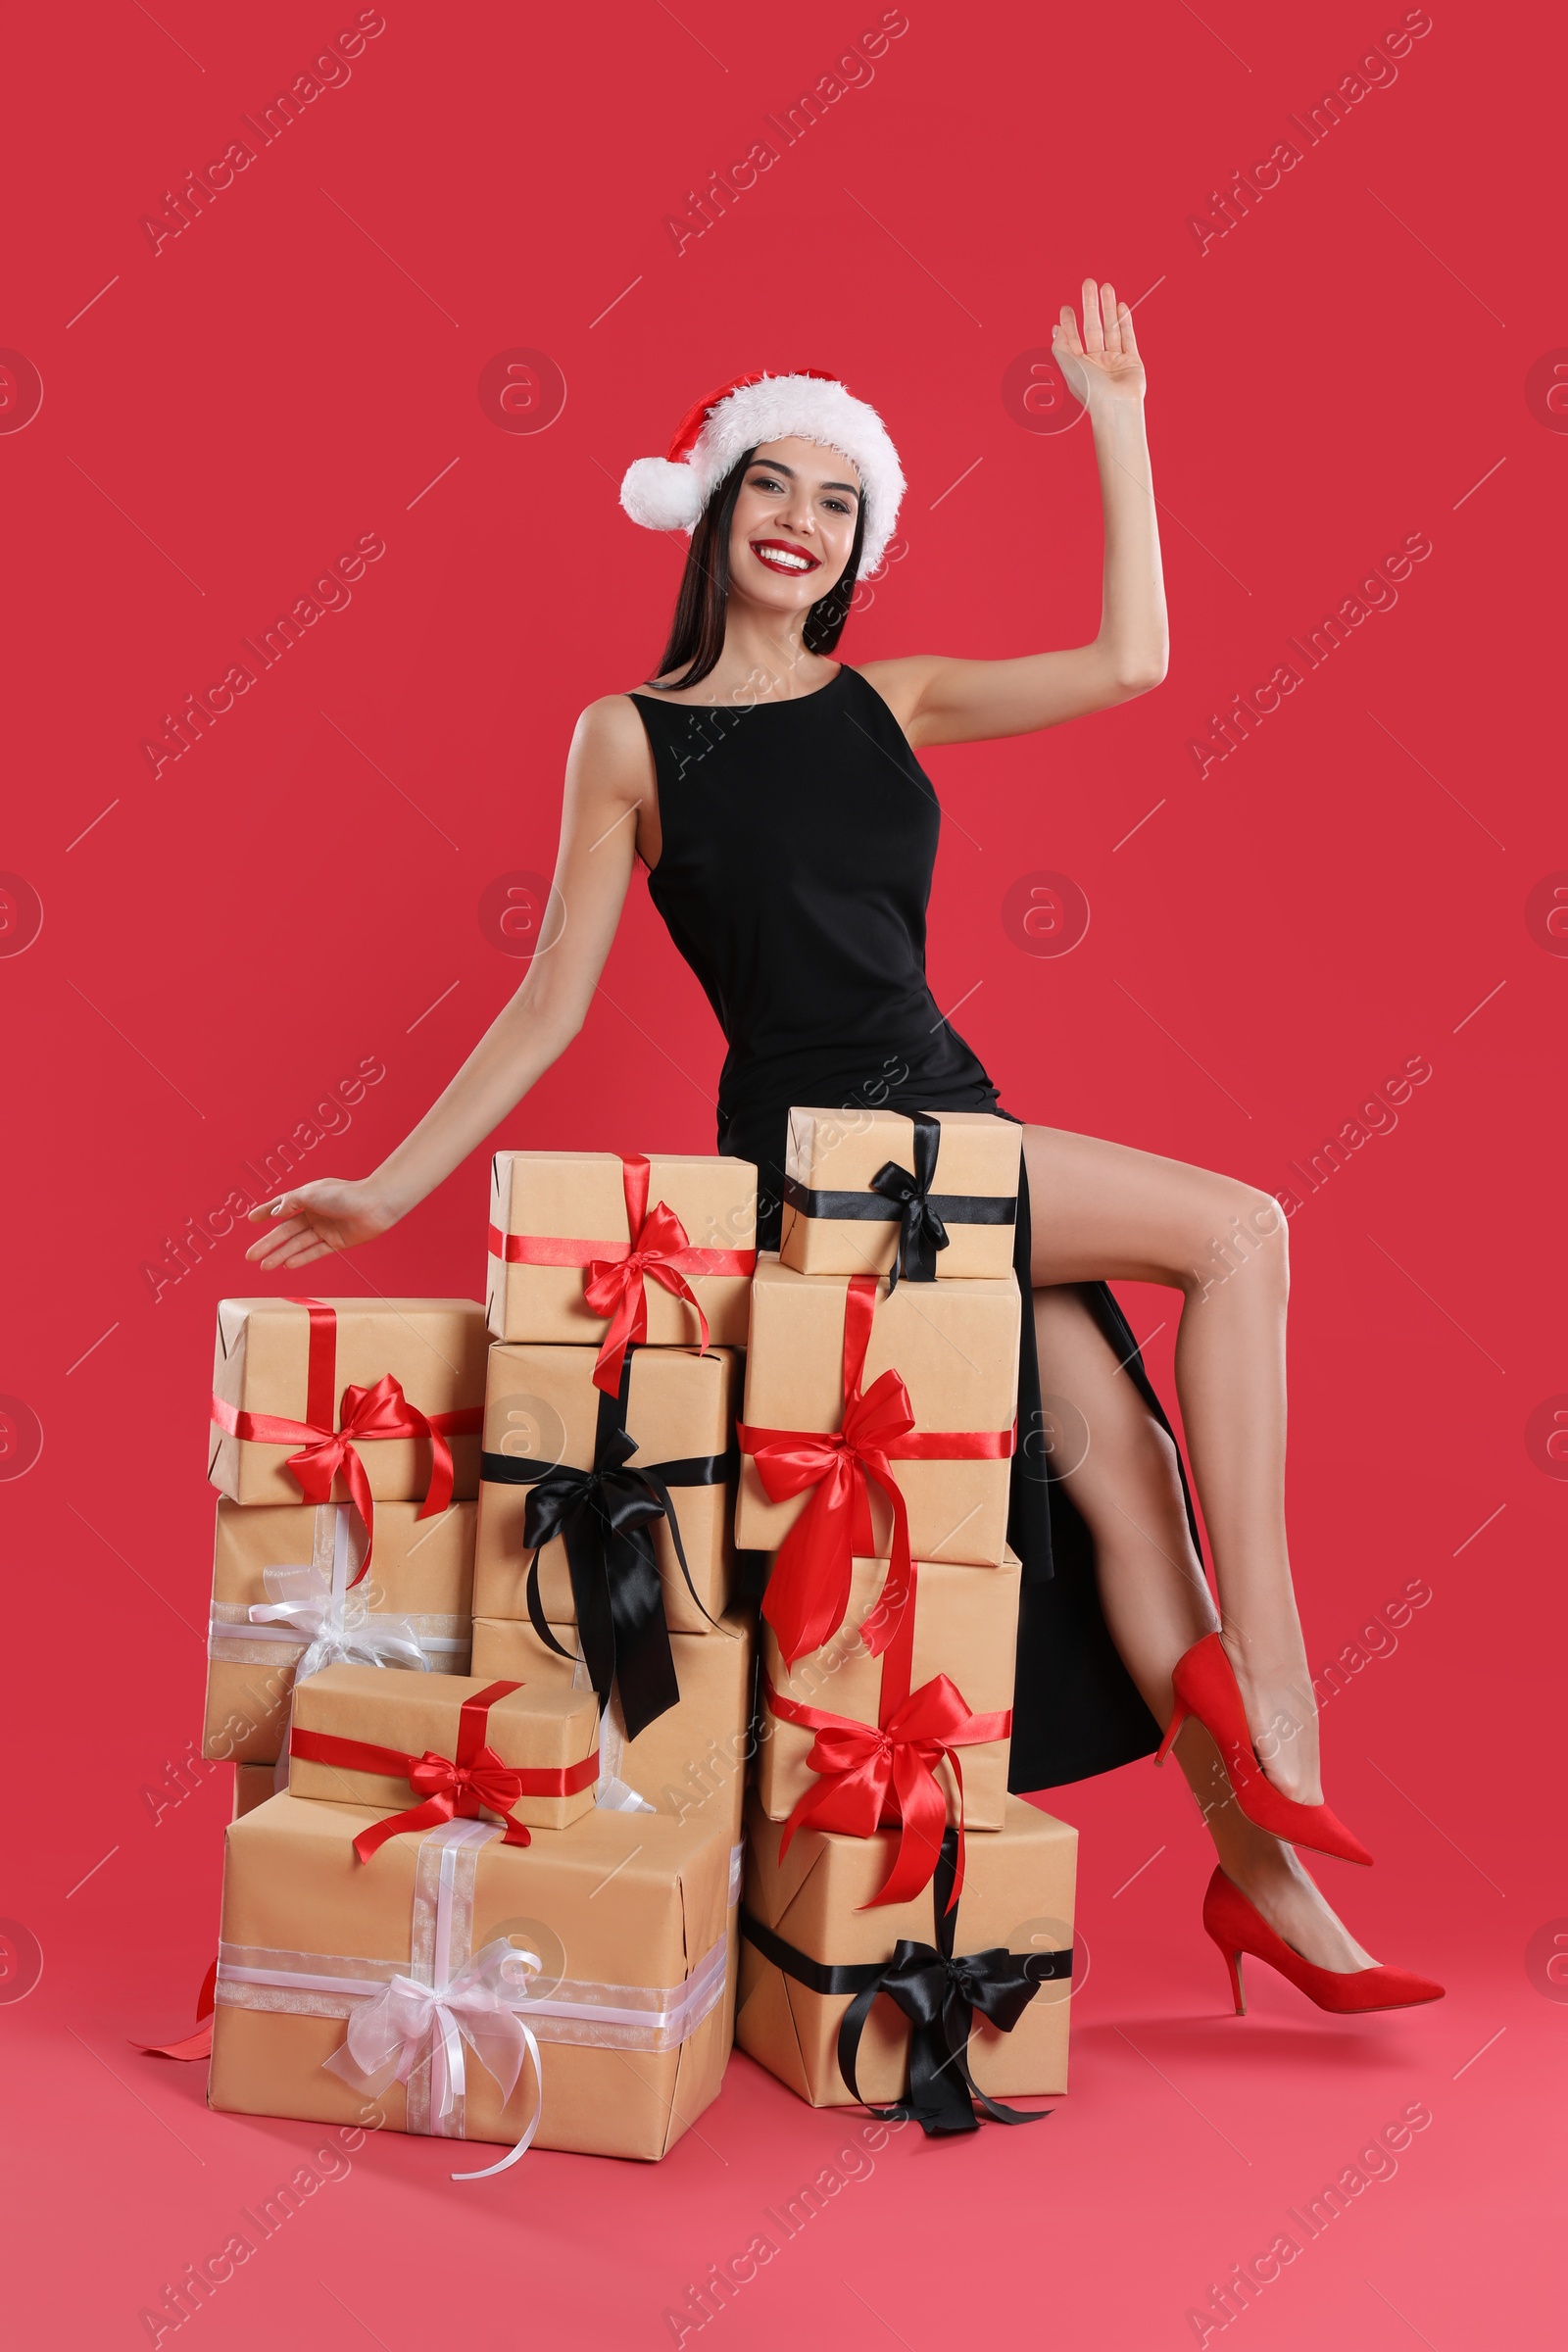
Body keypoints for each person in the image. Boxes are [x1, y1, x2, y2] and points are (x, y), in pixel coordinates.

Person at [248, 284, 1440, 2017]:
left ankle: (1275, 1905)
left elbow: (1135, 663)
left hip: (956, 1115)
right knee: (1239, 1235)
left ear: (858, 539)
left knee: (1121, 1482)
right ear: (716, 510)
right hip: (836, 1153)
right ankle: (1281, 1694)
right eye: (771, 489)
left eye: (837, 502)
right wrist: (391, 1181)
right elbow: (545, 1009)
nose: (803, 525)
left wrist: (1117, 417)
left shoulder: (895, 697)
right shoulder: (627, 739)